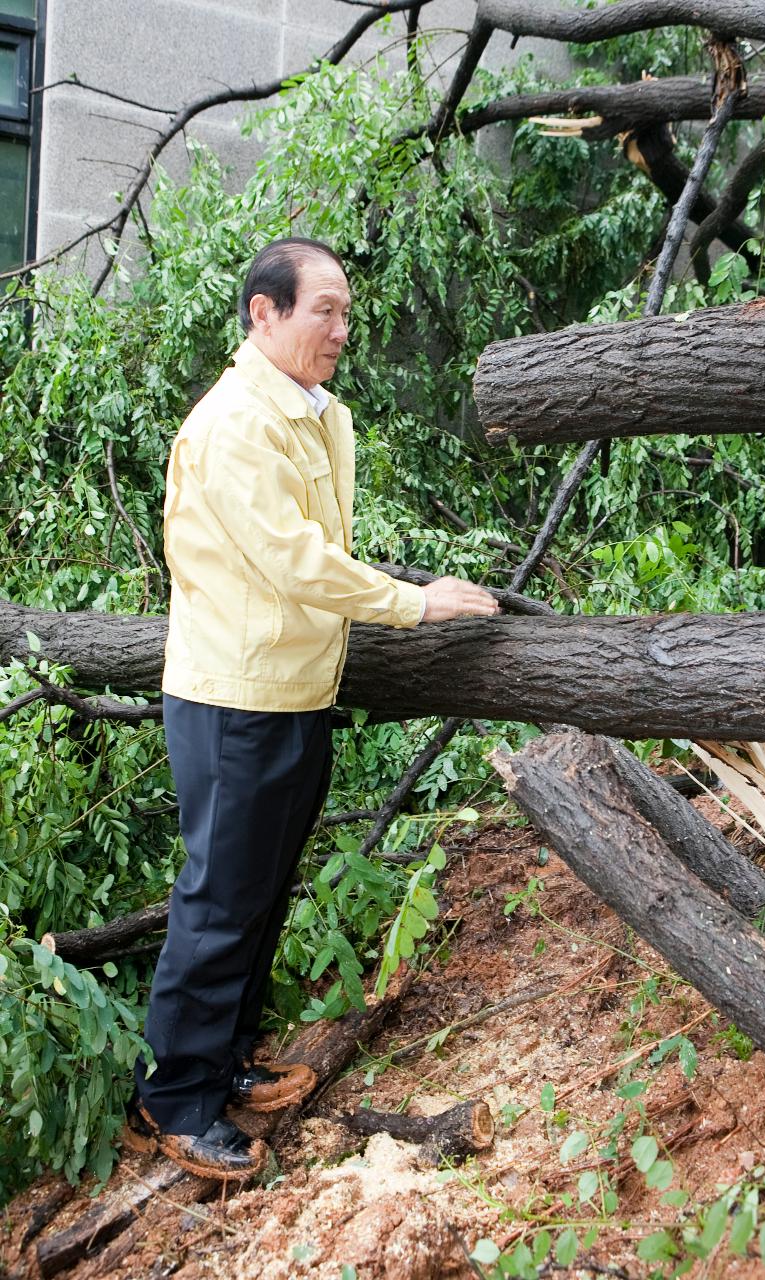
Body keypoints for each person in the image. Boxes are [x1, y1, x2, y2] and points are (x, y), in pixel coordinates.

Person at [125, 237, 499, 1179]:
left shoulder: (313, 415)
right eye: (323, 310)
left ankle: (225, 1067)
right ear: (264, 313)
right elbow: (294, 558)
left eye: (344, 310)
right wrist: (411, 603)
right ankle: (168, 1102)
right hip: (233, 700)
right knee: (218, 902)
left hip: (296, 690)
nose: (342, 328)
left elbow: (316, 554)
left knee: (259, 893)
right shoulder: (235, 425)